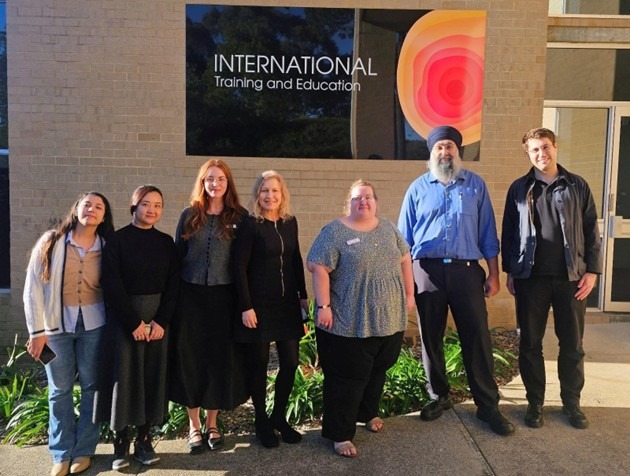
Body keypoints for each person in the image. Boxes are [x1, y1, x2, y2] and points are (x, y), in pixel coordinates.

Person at [398, 125, 514, 436]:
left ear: (457, 151)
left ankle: (487, 405)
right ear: (431, 152)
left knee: (477, 336)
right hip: (427, 272)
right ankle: (439, 396)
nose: (445, 152)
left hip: (467, 271)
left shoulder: (475, 186)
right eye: (439, 147)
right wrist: (407, 285)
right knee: (431, 337)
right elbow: (403, 243)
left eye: (449, 146)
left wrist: (494, 273)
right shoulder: (417, 189)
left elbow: (488, 234)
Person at [501, 127, 602, 430]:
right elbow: (509, 232)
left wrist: (593, 271)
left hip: (571, 279)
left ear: (555, 147)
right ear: (528, 154)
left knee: (572, 344)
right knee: (530, 343)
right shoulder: (519, 188)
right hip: (530, 279)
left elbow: (591, 230)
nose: (541, 154)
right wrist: (511, 270)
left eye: (545, 147)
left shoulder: (577, 185)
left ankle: (572, 403)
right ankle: (535, 403)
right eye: (534, 149)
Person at [307, 180, 415, 458]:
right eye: (357, 198)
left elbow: (406, 259)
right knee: (347, 377)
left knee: (378, 369)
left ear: (375, 202)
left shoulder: (389, 229)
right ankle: (340, 434)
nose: (363, 201)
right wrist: (324, 306)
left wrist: (409, 294)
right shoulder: (334, 231)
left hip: (388, 319)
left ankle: (367, 413)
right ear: (349, 203)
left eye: (368, 197)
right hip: (349, 321)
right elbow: (318, 267)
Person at [23, 191, 114, 476]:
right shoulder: (51, 242)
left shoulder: (107, 247)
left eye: (98, 207)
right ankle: (61, 453)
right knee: (59, 390)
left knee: (91, 389)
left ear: (104, 216)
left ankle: (84, 450)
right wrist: (36, 332)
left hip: (94, 328)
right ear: (76, 209)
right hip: (54, 330)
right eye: (87, 204)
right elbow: (32, 288)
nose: (92, 209)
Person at [94, 185, 179, 471]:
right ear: (134, 206)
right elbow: (112, 284)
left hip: (157, 323)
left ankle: (144, 440)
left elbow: (174, 286)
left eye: (157, 205)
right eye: (145, 204)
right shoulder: (117, 241)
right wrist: (133, 323)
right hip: (124, 321)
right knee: (124, 379)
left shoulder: (166, 243)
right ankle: (120, 444)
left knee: (151, 378)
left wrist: (161, 321)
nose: (151, 210)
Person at [169, 159, 249, 453]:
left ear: (228, 183)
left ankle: (212, 423)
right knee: (190, 358)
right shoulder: (189, 215)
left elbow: (244, 262)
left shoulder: (240, 217)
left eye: (221, 179)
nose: (215, 184)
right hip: (190, 298)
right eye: (210, 179)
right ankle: (193, 425)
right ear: (202, 183)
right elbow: (177, 258)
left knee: (217, 359)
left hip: (224, 298)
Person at [233, 170, 309, 448]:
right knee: (259, 364)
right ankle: (261, 421)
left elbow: (295, 260)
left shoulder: (290, 222)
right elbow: (238, 267)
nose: (270, 195)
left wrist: (303, 298)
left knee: (290, 362)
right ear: (257, 194)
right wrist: (246, 306)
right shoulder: (250, 224)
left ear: (282, 194)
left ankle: (279, 416)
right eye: (265, 190)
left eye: (275, 190)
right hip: (258, 305)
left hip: (287, 304)